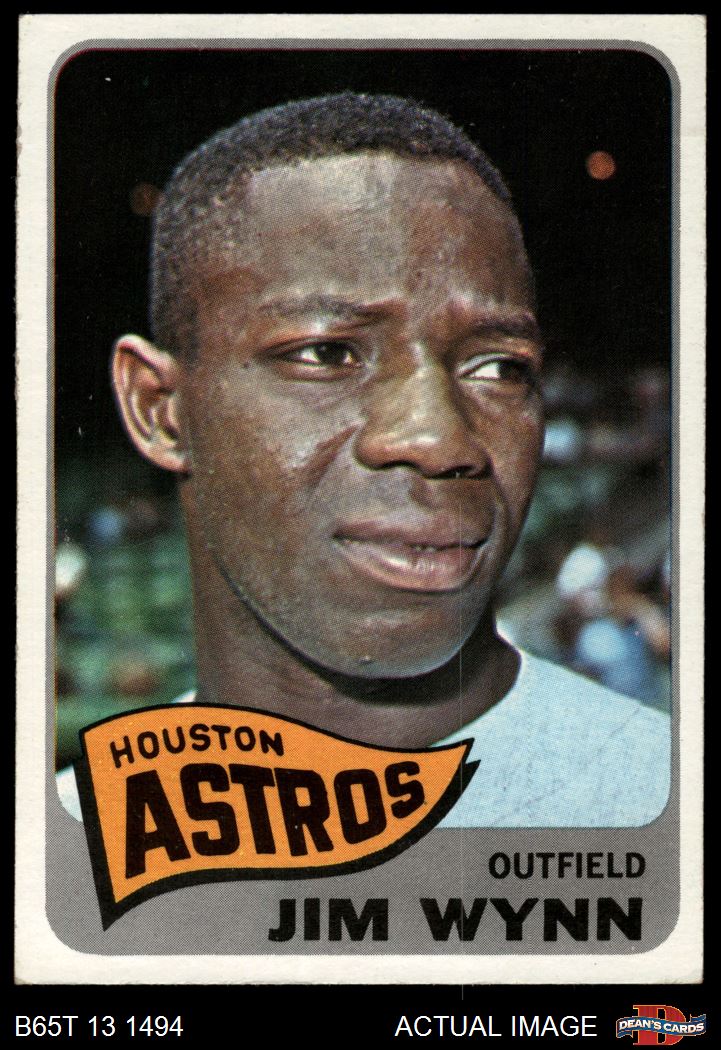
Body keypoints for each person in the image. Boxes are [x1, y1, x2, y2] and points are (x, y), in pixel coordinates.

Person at [57, 92, 669, 827]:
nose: (438, 439)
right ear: (159, 408)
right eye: (327, 354)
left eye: (499, 367)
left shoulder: (662, 803)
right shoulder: (64, 849)